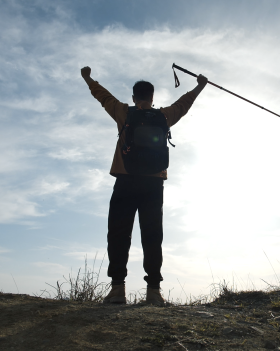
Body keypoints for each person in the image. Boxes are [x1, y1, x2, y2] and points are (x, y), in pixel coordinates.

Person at [80, 66, 208, 305]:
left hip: (125, 180)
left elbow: (103, 96)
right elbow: (184, 103)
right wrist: (200, 86)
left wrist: (88, 78)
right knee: (152, 237)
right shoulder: (164, 116)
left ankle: (117, 290)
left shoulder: (123, 112)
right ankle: (154, 292)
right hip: (153, 184)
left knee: (119, 234)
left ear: (133, 98)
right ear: (152, 97)